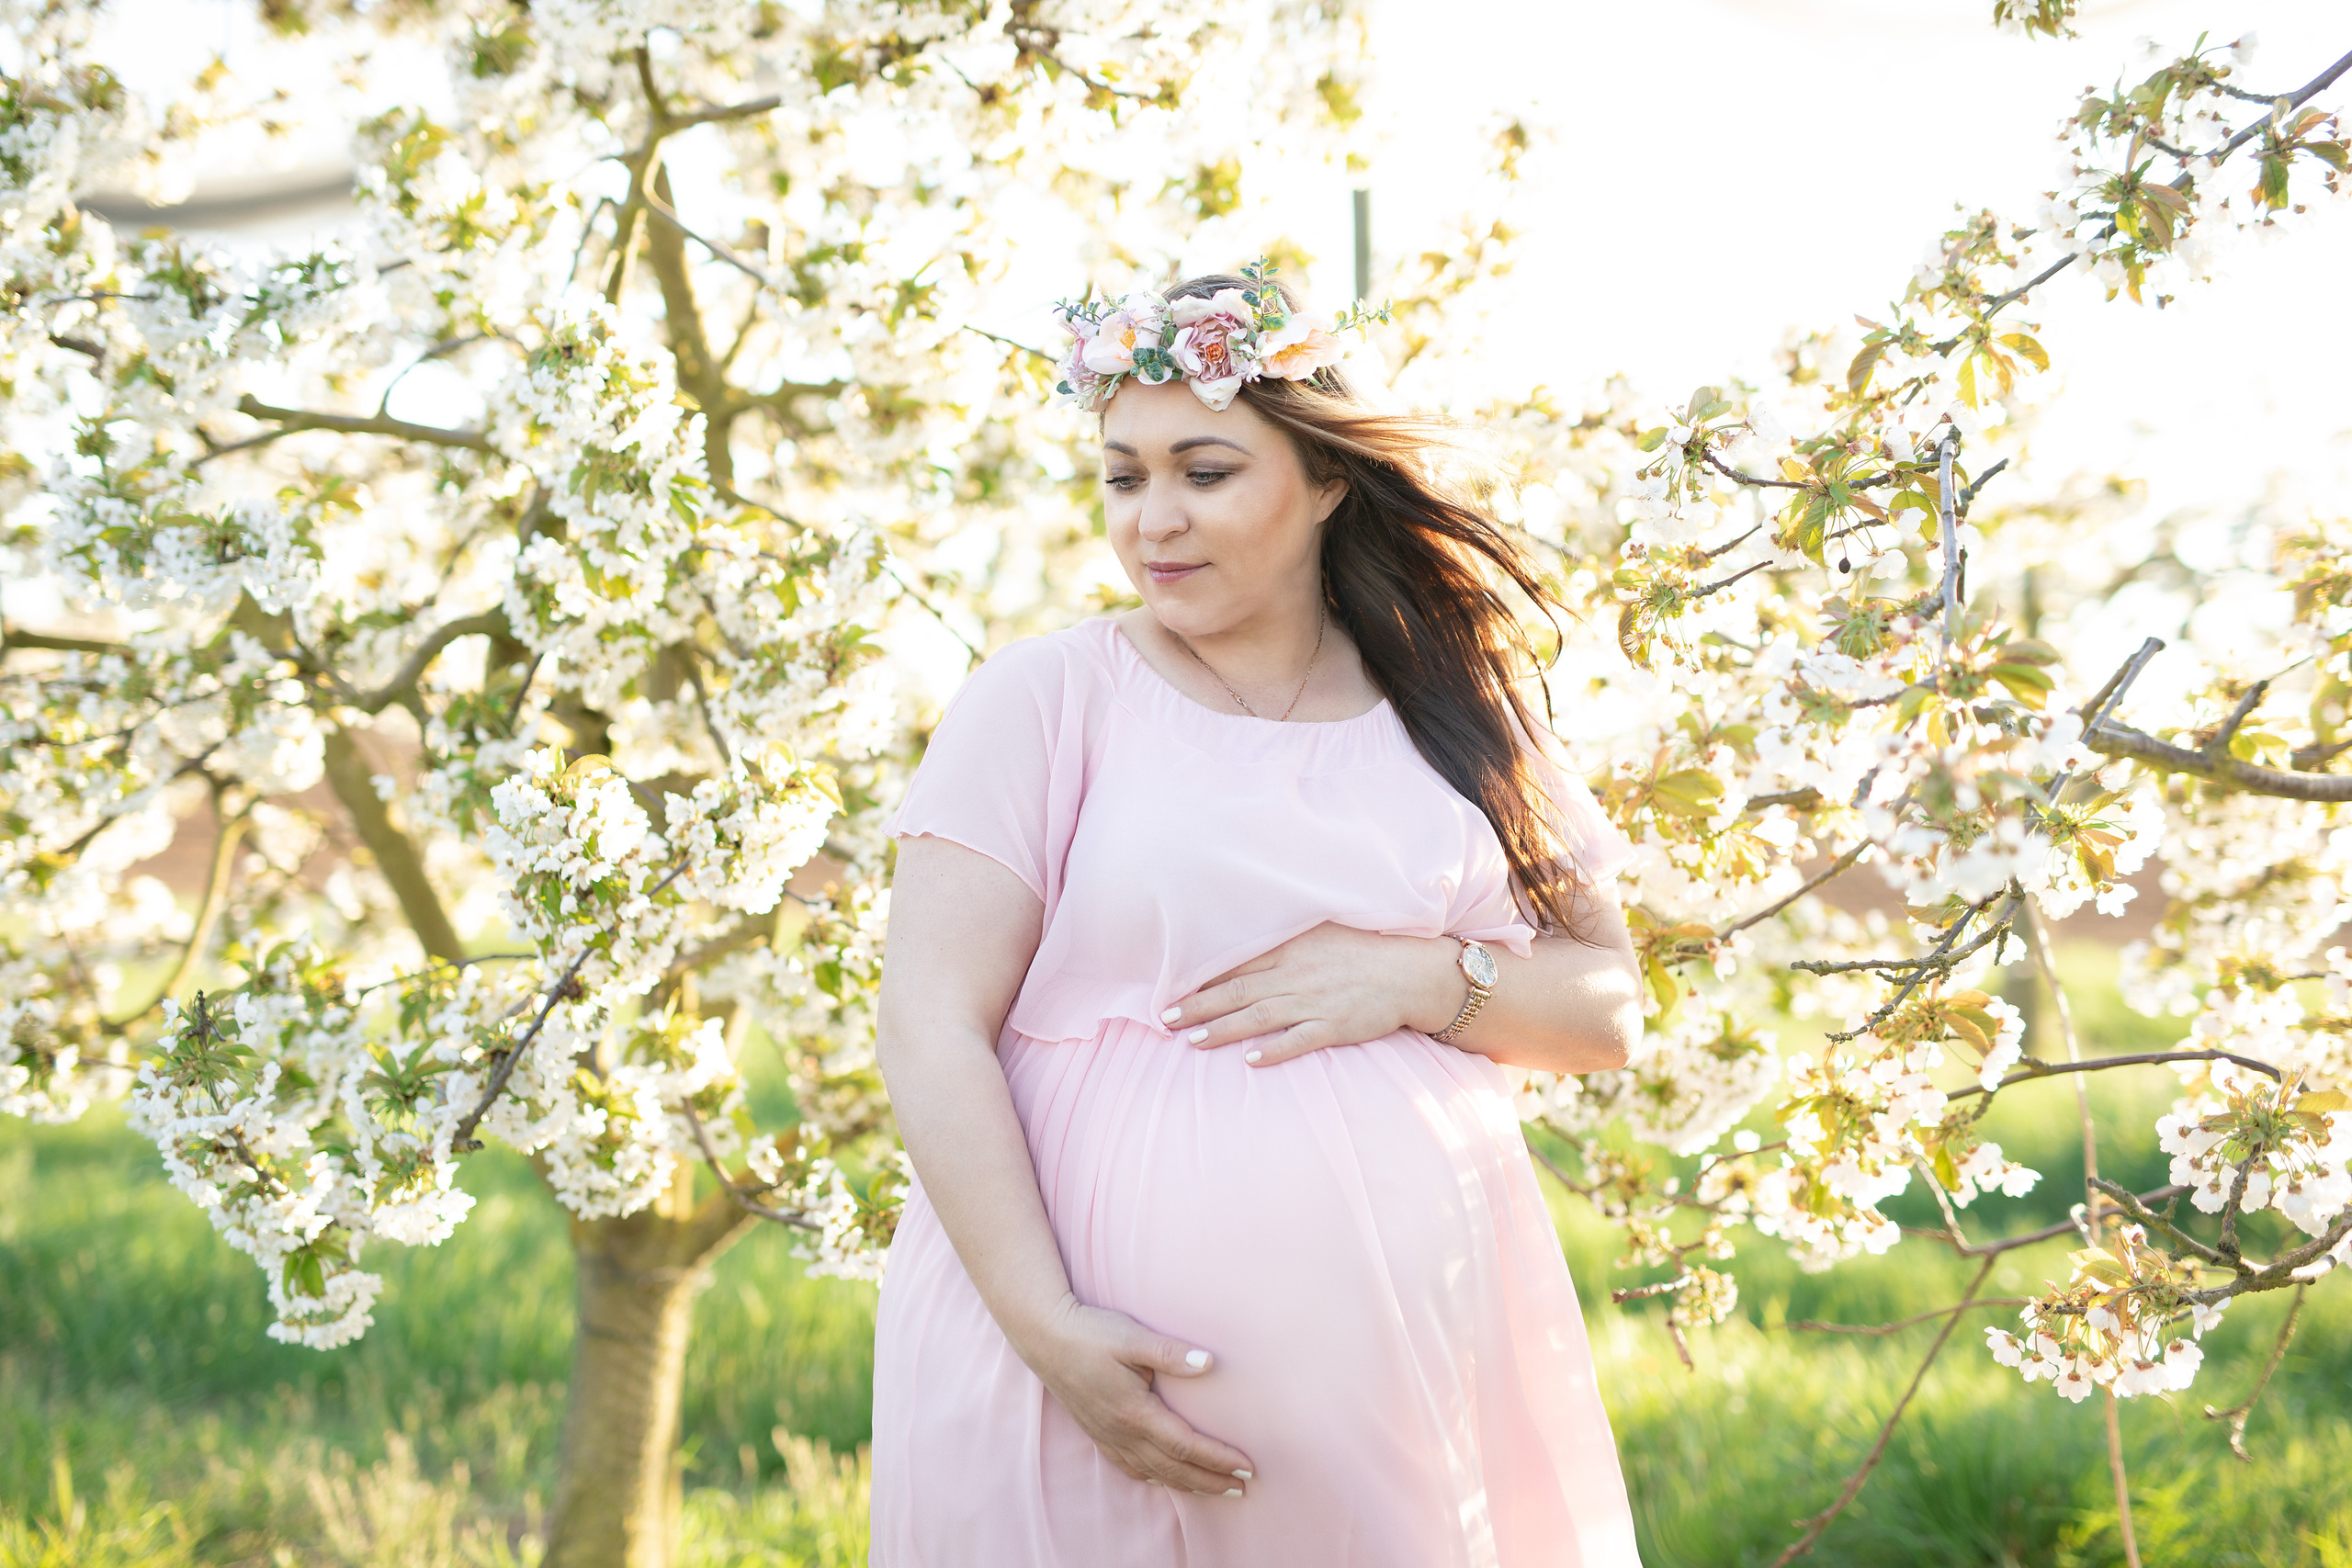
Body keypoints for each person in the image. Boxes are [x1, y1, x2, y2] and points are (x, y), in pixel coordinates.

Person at [869, 265, 1646, 1567]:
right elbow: (928, 1021)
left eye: (1205, 471)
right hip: (1066, 1355)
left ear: (1327, 479)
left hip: (1396, 1358)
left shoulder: (1460, 709)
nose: (1152, 520)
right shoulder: (1051, 699)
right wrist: (1048, 1326)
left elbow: (1606, 1010)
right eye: (1124, 477)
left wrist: (1415, 977)